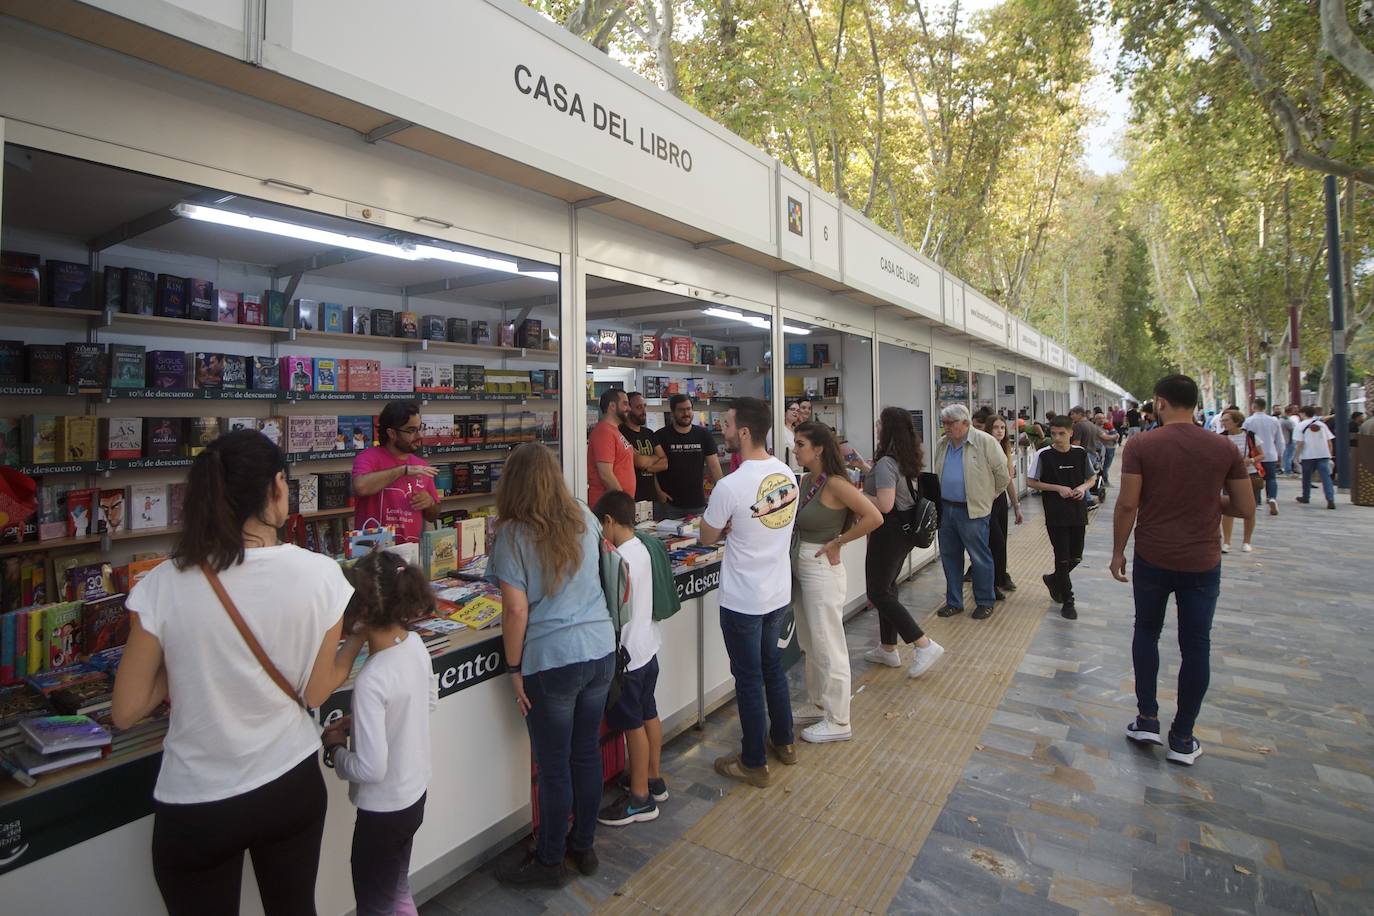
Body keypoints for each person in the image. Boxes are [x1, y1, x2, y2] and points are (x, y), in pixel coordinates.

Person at [112, 429, 360, 916]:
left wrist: (182, 650)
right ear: (275, 488)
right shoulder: (321, 574)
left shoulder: (163, 582)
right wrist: (353, 648)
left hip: (199, 800)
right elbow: (315, 692)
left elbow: (124, 711)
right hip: (291, 781)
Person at [1111, 375, 1254, 766]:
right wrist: (1210, 500)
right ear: (1194, 403)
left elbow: (1127, 505)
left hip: (1153, 557)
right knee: (1196, 646)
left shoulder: (1142, 445)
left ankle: (1147, 719)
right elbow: (1244, 507)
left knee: (1146, 631)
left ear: (1159, 402)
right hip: (1202, 563)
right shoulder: (1223, 447)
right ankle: (1183, 737)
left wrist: (1117, 551)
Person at [491, 443, 616, 886]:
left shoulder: (511, 534)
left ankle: (549, 861)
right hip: (600, 649)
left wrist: (513, 670)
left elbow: (516, 611)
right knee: (586, 753)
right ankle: (583, 849)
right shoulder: (583, 512)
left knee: (553, 765)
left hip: (553, 661)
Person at [322, 552, 437, 916]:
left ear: (361, 614)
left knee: (375, 904)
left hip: (382, 812)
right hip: (414, 796)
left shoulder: (372, 678)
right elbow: (427, 700)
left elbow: (371, 768)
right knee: (397, 889)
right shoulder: (415, 645)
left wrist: (337, 750)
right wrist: (367, 722)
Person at [699, 397, 798, 787]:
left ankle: (754, 762)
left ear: (743, 431)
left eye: (725, 424)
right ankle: (785, 742)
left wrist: (726, 527)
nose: (721, 431)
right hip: (776, 593)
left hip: (742, 599)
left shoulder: (731, 484)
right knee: (773, 668)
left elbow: (707, 535)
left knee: (748, 678)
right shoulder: (786, 473)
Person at [790, 421, 883, 744]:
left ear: (818, 449)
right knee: (810, 641)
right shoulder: (804, 482)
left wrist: (839, 542)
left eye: (800, 444)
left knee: (828, 642)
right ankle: (818, 703)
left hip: (821, 567)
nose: (795, 449)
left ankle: (839, 718)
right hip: (801, 565)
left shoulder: (836, 484)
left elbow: (874, 517)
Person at [593, 491, 668, 827]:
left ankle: (639, 798)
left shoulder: (616, 559)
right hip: (647, 647)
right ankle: (653, 777)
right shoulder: (643, 547)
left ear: (609, 521)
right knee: (649, 713)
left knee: (631, 726)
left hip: (627, 658)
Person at [862, 407, 946, 678]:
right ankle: (888, 648)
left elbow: (885, 505)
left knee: (878, 592)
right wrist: (865, 469)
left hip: (888, 533)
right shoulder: (905, 458)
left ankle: (923, 644)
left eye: (879, 424)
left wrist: (854, 497)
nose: (876, 428)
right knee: (888, 587)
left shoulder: (886, 462)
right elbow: (896, 491)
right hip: (905, 532)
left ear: (887, 430)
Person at [934, 404, 1010, 621]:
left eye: (951, 423)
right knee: (949, 557)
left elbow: (1002, 476)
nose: (946, 427)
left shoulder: (985, 442)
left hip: (973, 511)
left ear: (965, 423)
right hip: (947, 509)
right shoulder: (943, 444)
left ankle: (985, 601)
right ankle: (954, 602)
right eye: (944, 423)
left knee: (979, 557)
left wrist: (989, 496)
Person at [1027, 416, 1095, 619]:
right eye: (1054, 433)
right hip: (1056, 513)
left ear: (1071, 433)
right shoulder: (1044, 455)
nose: (1057, 438)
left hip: (1077, 512)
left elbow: (1091, 478)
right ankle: (1068, 600)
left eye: (1062, 433)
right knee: (1062, 558)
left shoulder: (1080, 454)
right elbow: (1031, 481)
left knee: (1076, 556)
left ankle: (1054, 580)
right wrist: (1057, 488)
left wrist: (1082, 488)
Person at [352, 401, 440, 544]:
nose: (419, 435)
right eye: (411, 430)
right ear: (392, 433)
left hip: (409, 554)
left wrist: (429, 503)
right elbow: (361, 486)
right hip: (370, 552)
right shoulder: (368, 457)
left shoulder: (422, 465)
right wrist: (403, 470)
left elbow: (433, 514)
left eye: (420, 428)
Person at [655, 394, 724, 519]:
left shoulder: (704, 434)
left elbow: (714, 466)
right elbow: (651, 469)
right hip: (669, 505)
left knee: (698, 538)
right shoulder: (660, 436)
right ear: (673, 412)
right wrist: (658, 492)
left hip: (697, 504)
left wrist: (722, 493)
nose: (686, 413)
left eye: (688, 409)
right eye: (681, 410)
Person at [983, 414, 1024, 598]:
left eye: (1002, 427)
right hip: (986, 500)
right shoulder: (984, 449)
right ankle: (990, 581)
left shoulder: (1005, 448)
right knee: (994, 542)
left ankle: (1000, 577)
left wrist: (1016, 505)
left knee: (1001, 542)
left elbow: (1008, 481)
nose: (1000, 431)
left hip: (999, 501)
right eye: (996, 427)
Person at [1218, 409, 1262, 552]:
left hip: (1249, 474)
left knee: (1250, 508)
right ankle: (1227, 541)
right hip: (1228, 476)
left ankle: (1246, 541)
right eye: (1222, 420)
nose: (1223, 423)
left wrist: (1251, 460)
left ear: (1236, 421)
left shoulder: (1250, 436)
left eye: (1226, 420)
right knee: (1228, 509)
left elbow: (1262, 455)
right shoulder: (1221, 437)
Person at [588, 388, 635, 506]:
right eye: (625, 404)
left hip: (616, 505)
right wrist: (623, 503)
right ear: (612, 406)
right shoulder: (604, 432)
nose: (629, 408)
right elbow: (605, 474)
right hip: (610, 506)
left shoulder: (614, 431)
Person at [621, 391, 668, 505]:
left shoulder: (649, 433)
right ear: (628, 409)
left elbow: (665, 462)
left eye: (644, 406)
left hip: (652, 496)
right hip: (632, 497)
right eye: (638, 407)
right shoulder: (621, 433)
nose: (644, 411)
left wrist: (647, 467)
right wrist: (655, 458)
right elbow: (640, 462)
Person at [1242, 397, 1284, 516]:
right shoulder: (1274, 421)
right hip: (1270, 453)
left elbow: (1245, 438)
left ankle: (1257, 501)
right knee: (1271, 478)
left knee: (1256, 477)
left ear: (1253, 407)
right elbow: (1279, 439)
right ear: (1265, 407)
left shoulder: (1248, 421)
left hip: (1254, 455)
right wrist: (1280, 454)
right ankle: (1272, 498)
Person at [1293, 405, 1336, 509]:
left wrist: (1296, 456)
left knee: (1306, 477)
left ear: (1303, 414)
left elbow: (1300, 443)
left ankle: (1306, 496)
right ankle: (1330, 499)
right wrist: (1329, 454)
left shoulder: (1300, 425)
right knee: (1326, 478)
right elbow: (1329, 441)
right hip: (1323, 454)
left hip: (1308, 455)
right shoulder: (1322, 425)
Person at [1094, 413, 1119, 488]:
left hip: (1111, 447)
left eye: (1103, 418)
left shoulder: (1108, 426)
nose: (1102, 420)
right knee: (1102, 466)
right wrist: (1115, 436)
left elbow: (1115, 433)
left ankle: (1104, 480)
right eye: (1099, 418)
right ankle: (1104, 481)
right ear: (1095, 419)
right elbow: (1106, 437)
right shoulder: (1095, 428)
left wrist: (1114, 435)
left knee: (1107, 465)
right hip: (1101, 449)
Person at [1280, 405, 1298, 476]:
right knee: (1288, 456)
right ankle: (1288, 470)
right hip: (1289, 441)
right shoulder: (1288, 421)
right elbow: (1292, 431)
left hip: (1284, 440)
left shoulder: (1280, 420)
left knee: (1285, 456)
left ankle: (1285, 469)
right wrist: (1291, 440)